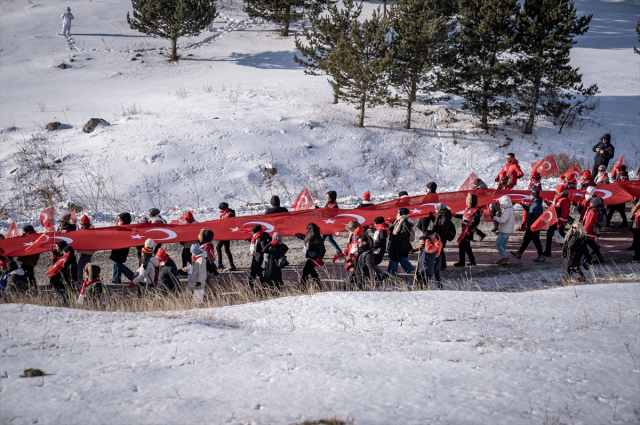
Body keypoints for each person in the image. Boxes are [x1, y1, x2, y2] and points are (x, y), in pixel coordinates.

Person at [511, 190, 545, 262]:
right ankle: (519, 253)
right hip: (530, 226)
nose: (530, 196)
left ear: (534, 196)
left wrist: (532, 225)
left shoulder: (537, 205)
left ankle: (541, 255)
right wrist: (523, 205)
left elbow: (537, 217)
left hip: (533, 227)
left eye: (531, 195)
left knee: (536, 241)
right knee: (526, 240)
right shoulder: (535, 203)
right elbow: (530, 211)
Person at [295, 223, 326, 290]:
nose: (306, 231)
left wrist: (319, 258)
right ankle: (318, 286)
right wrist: (298, 235)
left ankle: (301, 287)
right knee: (312, 272)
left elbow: (322, 250)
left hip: (313, 258)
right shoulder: (312, 236)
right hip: (310, 256)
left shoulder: (318, 239)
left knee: (305, 271)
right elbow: (305, 238)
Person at [543, 184, 571, 257]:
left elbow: (564, 212)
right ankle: (548, 251)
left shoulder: (565, 200)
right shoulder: (557, 197)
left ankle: (570, 250)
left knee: (561, 237)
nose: (556, 192)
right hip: (555, 220)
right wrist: (548, 203)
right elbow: (554, 208)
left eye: (557, 191)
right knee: (550, 234)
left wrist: (560, 222)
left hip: (559, 222)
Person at [454, 194, 481, 267]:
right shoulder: (466, 208)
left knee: (462, 245)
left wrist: (469, 229)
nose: (466, 201)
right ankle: (472, 261)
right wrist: (455, 215)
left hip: (469, 231)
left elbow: (476, 222)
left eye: (468, 200)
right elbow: (463, 216)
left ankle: (462, 262)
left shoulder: (476, 210)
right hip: (464, 230)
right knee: (467, 247)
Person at [387, 208, 415, 275]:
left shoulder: (405, 223)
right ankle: (409, 268)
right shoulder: (400, 220)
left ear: (402, 214)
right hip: (401, 244)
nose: (397, 213)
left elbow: (404, 234)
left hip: (399, 244)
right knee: (401, 257)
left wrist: (394, 240)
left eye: (398, 212)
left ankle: (392, 272)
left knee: (395, 257)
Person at [582, 197, 605, 266]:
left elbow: (588, 224)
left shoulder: (592, 212)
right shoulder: (599, 210)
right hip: (593, 233)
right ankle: (600, 258)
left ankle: (587, 258)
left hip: (588, 233)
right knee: (592, 245)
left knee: (582, 246)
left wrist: (583, 232)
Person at [110, 213, 132, 283]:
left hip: (122, 248)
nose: (118, 221)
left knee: (118, 263)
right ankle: (116, 279)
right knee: (116, 262)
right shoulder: (120, 227)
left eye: (119, 219)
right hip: (118, 247)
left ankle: (133, 277)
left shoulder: (126, 228)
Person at [493, 195, 514, 265]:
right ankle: (503, 259)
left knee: (498, 243)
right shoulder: (510, 208)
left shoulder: (507, 210)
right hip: (507, 229)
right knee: (503, 245)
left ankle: (505, 257)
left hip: (505, 230)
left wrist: (494, 217)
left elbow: (502, 220)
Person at [17, 224, 40, 290]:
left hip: (29, 259)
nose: (23, 232)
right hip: (29, 258)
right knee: (27, 273)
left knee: (27, 273)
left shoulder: (30, 237)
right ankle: (31, 287)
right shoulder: (35, 236)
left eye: (23, 231)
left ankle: (29, 288)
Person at [76, 215, 95, 289]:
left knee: (80, 267)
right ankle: (89, 281)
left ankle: (80, 284)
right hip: (87, 251)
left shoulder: (90, 231)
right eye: (81, 224)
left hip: (87, 251)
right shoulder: (88, 229)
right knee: (87, 267)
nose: (82, 226)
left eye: (82, 224)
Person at [216, 202, 236, 271]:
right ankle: (227, 264)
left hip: (226, 234)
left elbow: (230, 224)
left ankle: (223, 264)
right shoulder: (225, 213)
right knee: (224, 249)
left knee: (221, 248)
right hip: (224, 233)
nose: (219, 210)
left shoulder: (229, 214)